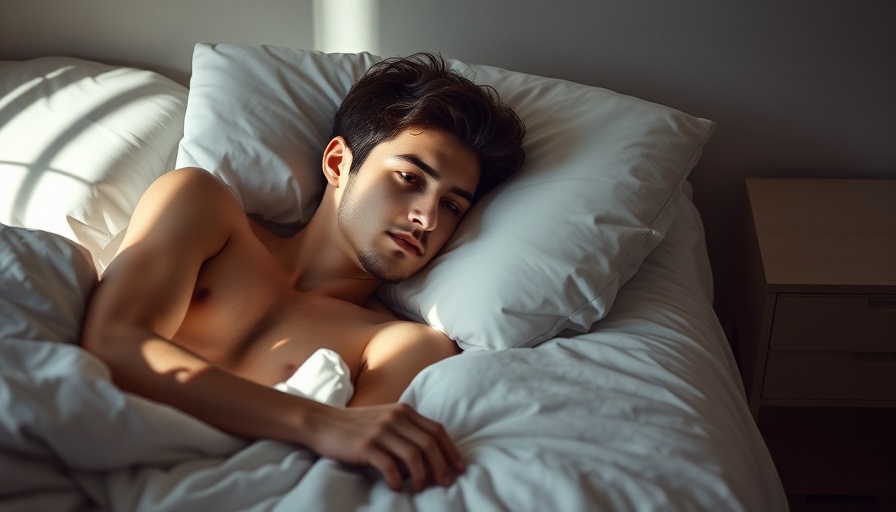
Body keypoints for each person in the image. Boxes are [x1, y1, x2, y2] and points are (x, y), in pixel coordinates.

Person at [81, 53, 526, 492]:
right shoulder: (202, 206)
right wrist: (319, 422)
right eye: (410, 178)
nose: (427, 218)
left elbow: (331, 479)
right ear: (338, 164)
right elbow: (113, 341)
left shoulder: (401, 343)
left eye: (451, 206)